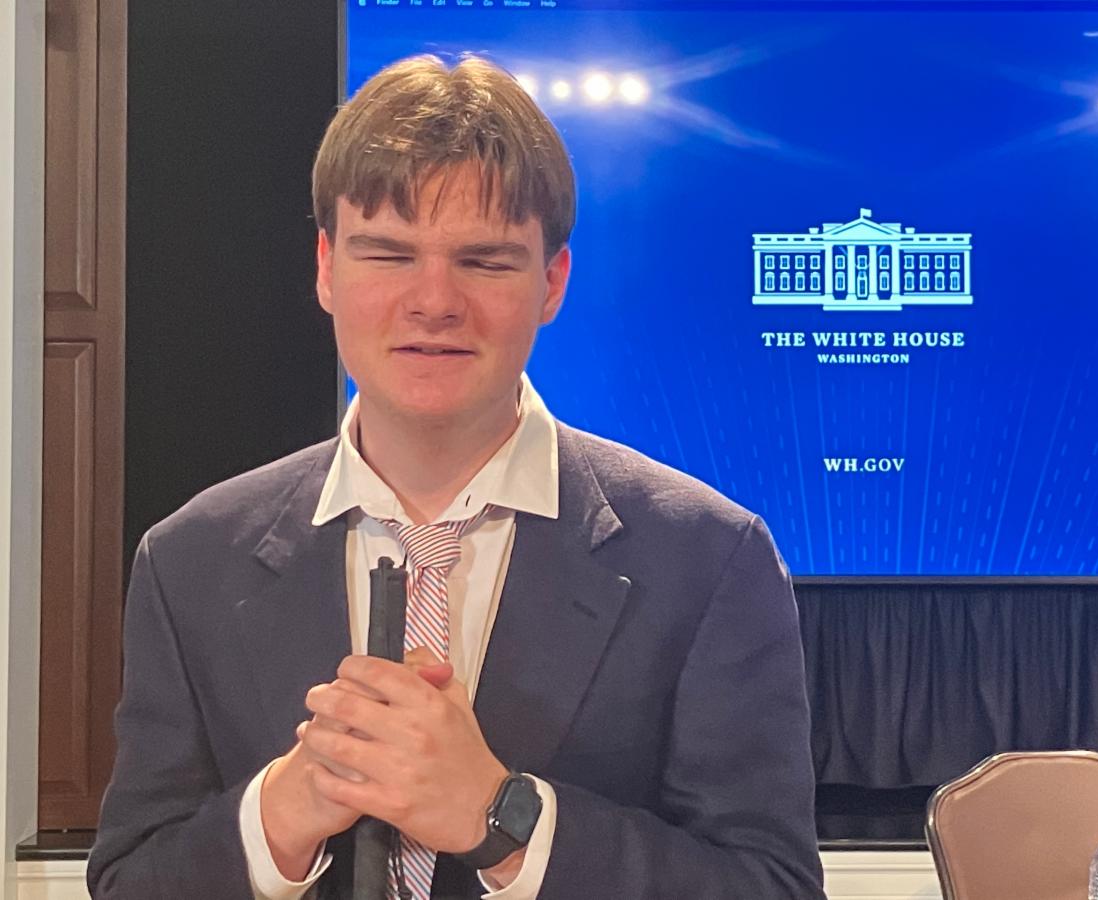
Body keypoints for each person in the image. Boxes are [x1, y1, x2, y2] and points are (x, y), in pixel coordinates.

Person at [87, 55, 825, 900]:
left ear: (552, 282)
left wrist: (501, 817)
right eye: (389, 254)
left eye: (484, 261)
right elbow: (129, 880)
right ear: (327, 268)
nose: (434, 301)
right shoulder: (190, 561)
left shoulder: (707, 559)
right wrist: (281, 813)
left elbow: (772, 887)